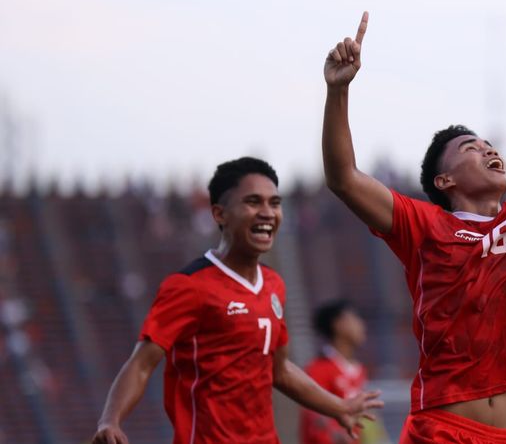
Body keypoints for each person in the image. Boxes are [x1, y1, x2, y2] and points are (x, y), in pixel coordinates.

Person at [321, 12, 506, 444]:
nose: (489, 150)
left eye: (490, 145)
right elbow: (343, 177)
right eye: (471, 148)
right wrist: (338, 90)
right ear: (444, 181)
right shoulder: (425, 224)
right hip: (441, 431)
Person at [92, 157, 383, 444]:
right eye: (253, 202)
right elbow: (142, 363)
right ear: (220, 214)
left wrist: (339, 406)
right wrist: (110, 419)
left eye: (275, 203)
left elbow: (278, 370)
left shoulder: (273, 285)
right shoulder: (189, 286)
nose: (268, 212)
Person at [300, 300, 380, 444]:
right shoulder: (319, 368)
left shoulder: (359, 370)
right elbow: (314, 416)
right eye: (354, 318)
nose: (361, 325)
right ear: (338, 324)